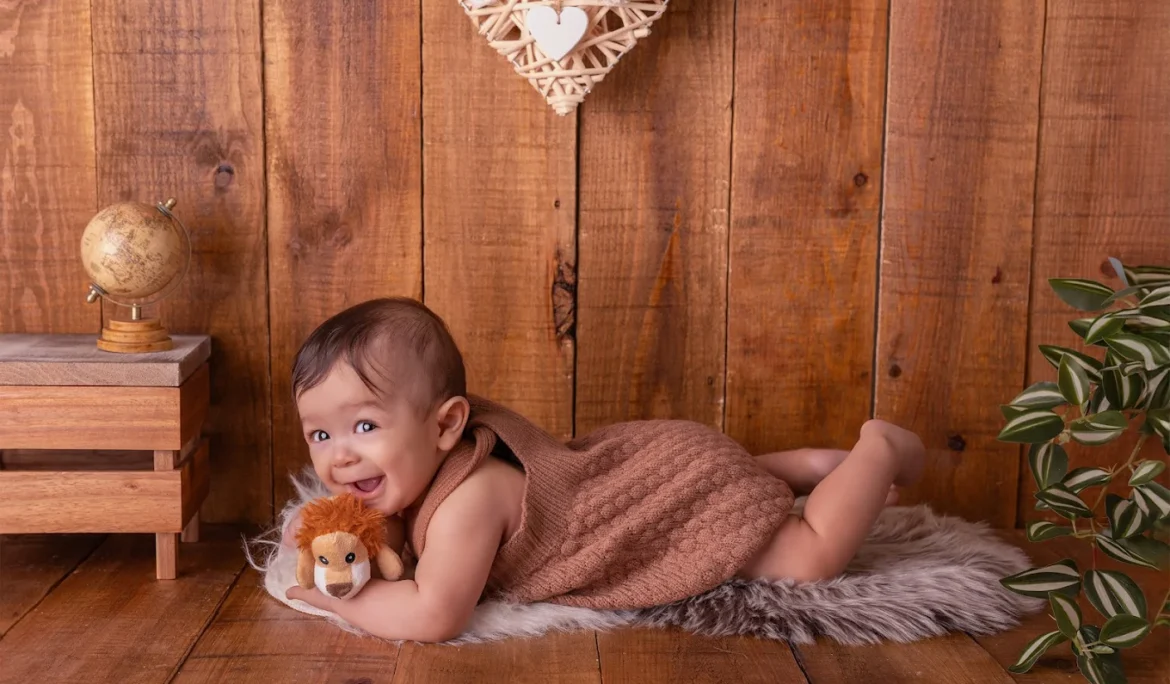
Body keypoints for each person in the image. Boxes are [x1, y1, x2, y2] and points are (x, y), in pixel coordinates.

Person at [282, 297, 925, 642]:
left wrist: (337, 596)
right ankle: (808, 464)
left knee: (807, 557)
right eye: (320, 433)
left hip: (665, 496)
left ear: (448, 424)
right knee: (720, 480)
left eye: (365, 426)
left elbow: (432, 614)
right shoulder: (424, 465)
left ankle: (877, 448)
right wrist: (329, 539)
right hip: (653, 465)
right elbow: (382, 531)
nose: (339, 455)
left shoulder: (467, 505)